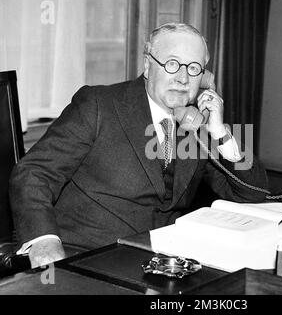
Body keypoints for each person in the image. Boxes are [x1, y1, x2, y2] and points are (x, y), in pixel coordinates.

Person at [9, 23, 268, 268]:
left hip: (164, 263)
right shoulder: (99, 105)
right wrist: (43, 243)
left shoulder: (197, 127)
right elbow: (33, 174)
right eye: (172, 64)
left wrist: (220, 133)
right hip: (86, 257)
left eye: (193, 68)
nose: (182, 78)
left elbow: (253, 194)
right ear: (147, 65)